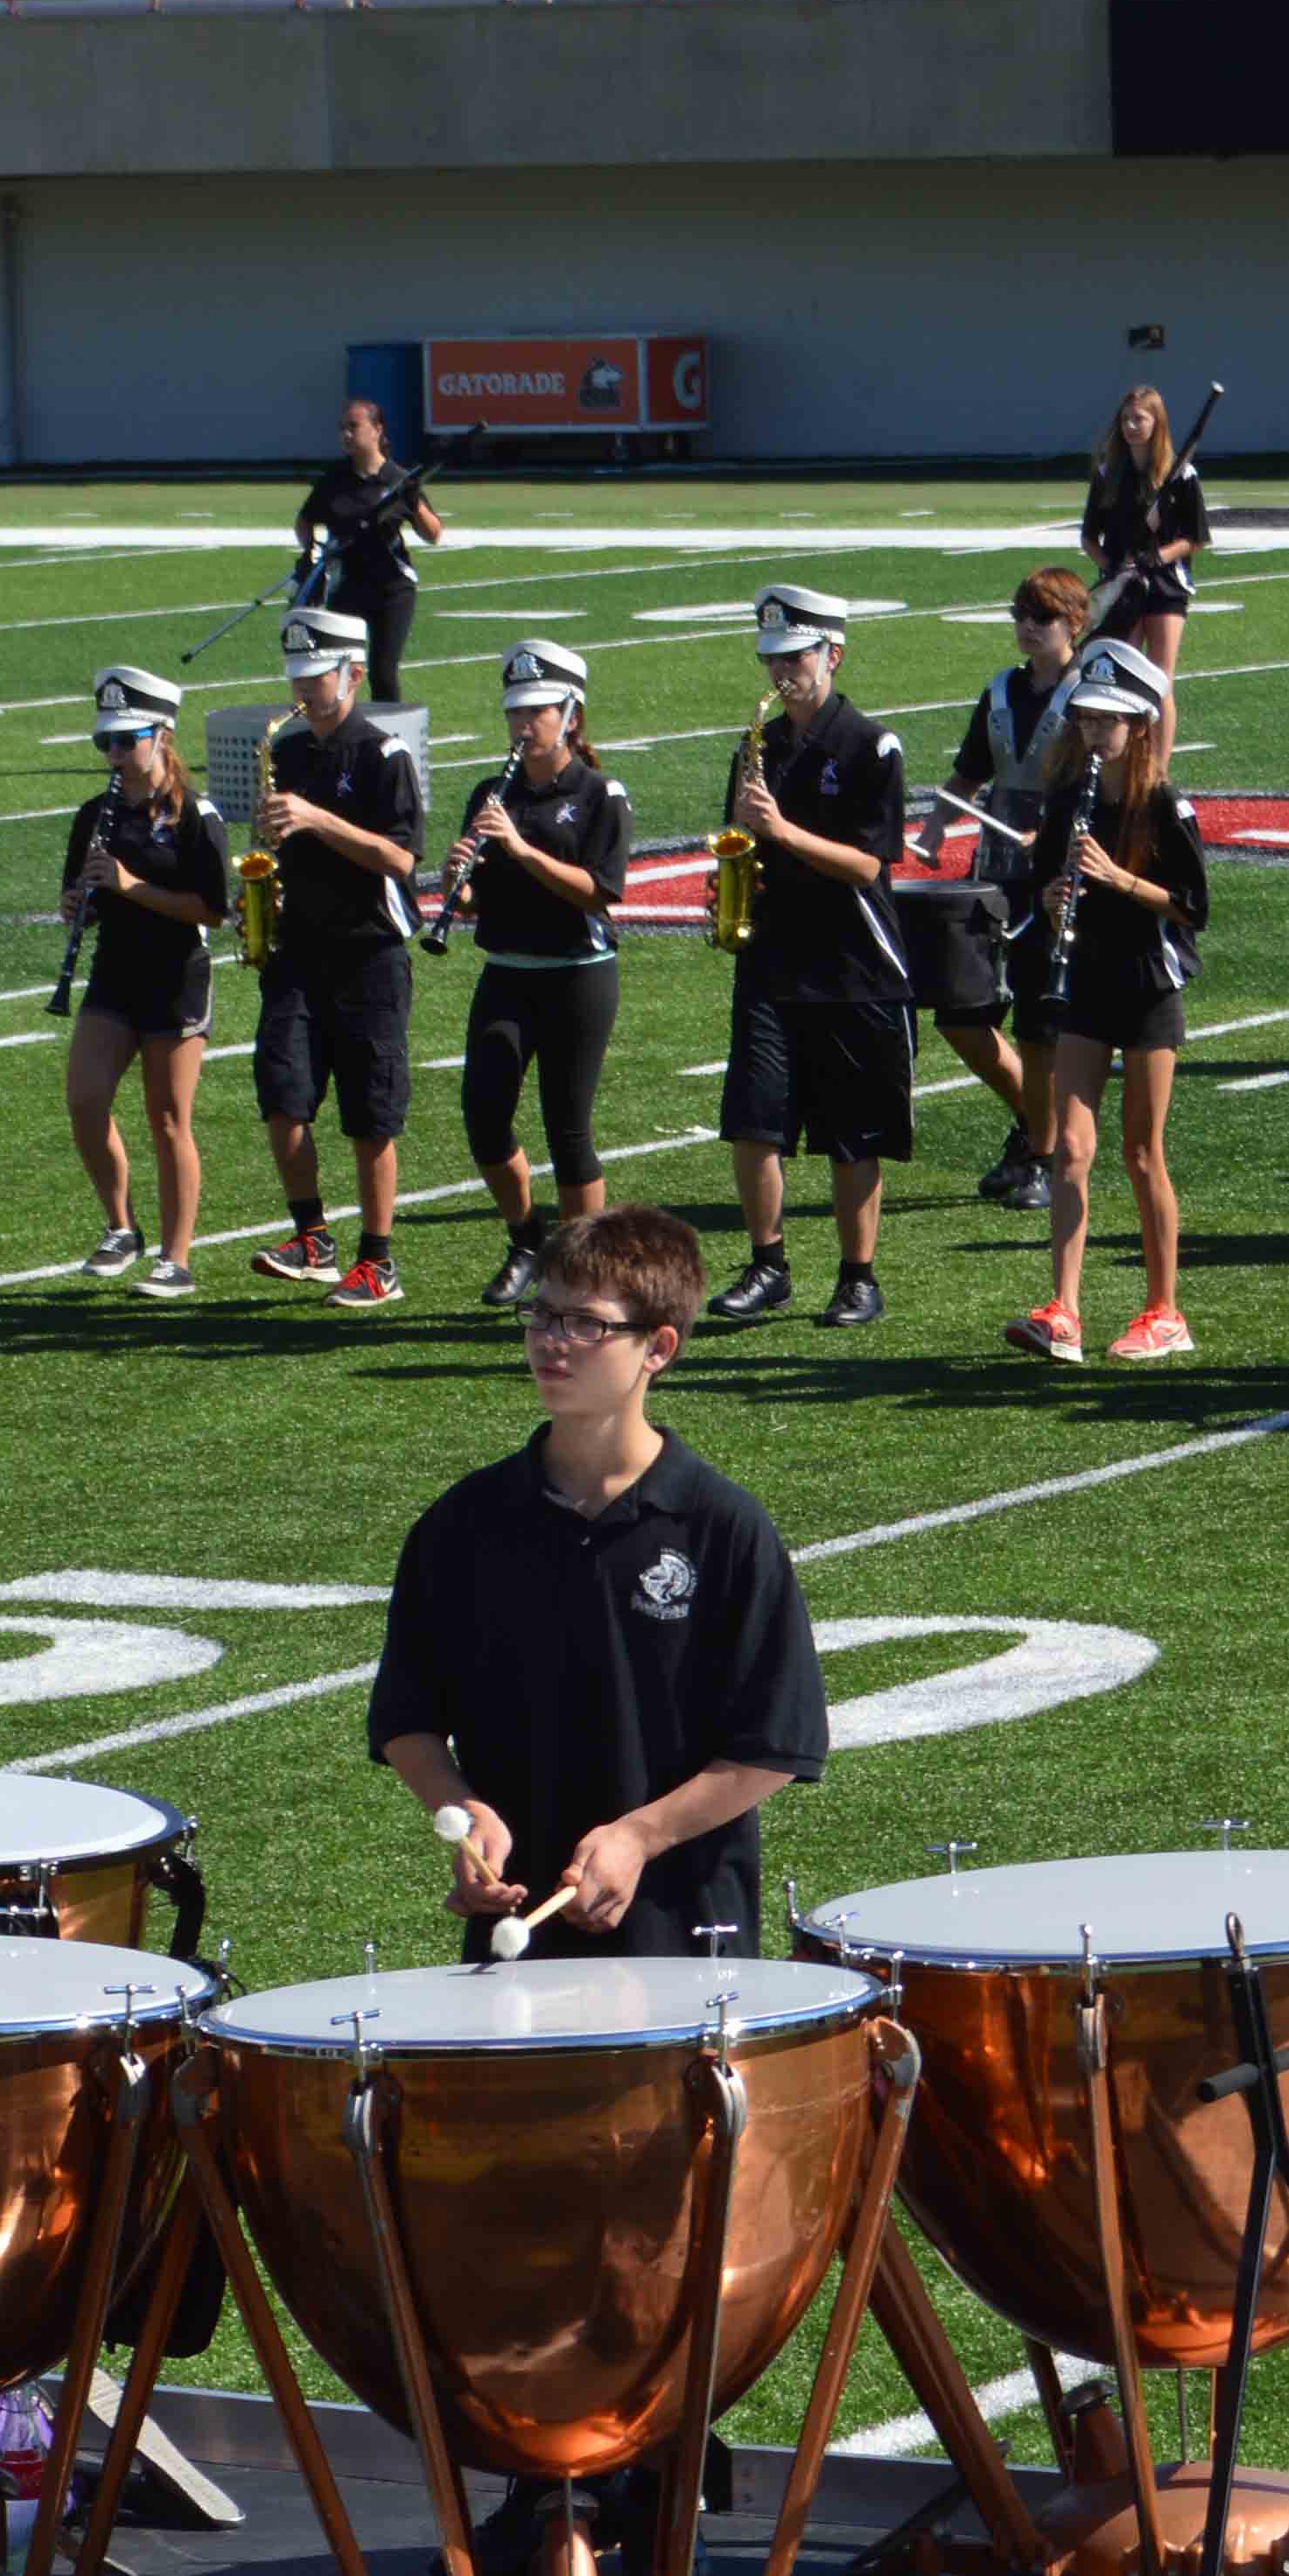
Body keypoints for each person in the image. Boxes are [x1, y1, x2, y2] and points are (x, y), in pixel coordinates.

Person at [373, 1205, 828, 1961]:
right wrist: (463, 1810)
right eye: (542, 1315)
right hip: (514, 1944)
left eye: (587, 1324)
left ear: (659, 1347)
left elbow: (775, 1743)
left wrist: (641, 1836)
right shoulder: (464, 1524)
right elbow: (405, 1717)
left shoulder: (721, 1527)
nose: (552, 1341)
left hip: (685, 1937)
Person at [706, 584, 913, 1329]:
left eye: (794, 657)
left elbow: (868, 865)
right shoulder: (756, 747)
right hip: (772, 958)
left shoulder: (870, 745)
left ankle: (859, 1277)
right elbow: (742, 838)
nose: (781, 672)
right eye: (772, 659)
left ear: (833, 654)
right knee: (754, 1122)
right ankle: (769, 1265)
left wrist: (784, 834)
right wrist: (727, 877)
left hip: (853, 962)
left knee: (852, 1133)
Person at [1008, 638, 1206, 1366]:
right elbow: (1043, 890)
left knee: (1142, 1153)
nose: (1095, 730)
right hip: (1086, 984)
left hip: (1150, 989)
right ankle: (1065, 1309)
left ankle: (1165, 1309)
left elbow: (1192, 906)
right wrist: (1055, 896)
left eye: (1109, 720)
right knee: (1069, 1149)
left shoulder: (1166, 806)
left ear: (1141, 726)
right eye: (1087, 717)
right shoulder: (1070, 800)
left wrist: (1119, 879)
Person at [240, 602, 430, 1306]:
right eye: (298, 676)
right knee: (283, 1095)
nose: (304, 690)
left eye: (317, 676)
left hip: (368, 952)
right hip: (297, 950)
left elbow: (403, 859)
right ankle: (312, 1234)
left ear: (352, 673)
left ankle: (378, 1260)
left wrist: (318, 819)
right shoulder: (287, 753)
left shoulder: (382, 754)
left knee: (369, 1114)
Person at [449, 634, 635, 1304]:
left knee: (568, 1125)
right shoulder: (490, 790)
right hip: (506, 969)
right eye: (514, 713)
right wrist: (460, 888)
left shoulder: (598, 793)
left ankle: (579, 1278)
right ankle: (527, 1238)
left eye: (537, 711)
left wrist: (521, 850)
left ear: (571, 716)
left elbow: (601, 891)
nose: (523, 726)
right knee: (484, 1116)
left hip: (577, 975)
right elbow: (479, 900)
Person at [63, 668, 229, 1297]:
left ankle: (176, 1257)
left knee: (167, 1120)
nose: (113, 754)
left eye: (125, 739)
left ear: (162, 735)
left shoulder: (196, 816)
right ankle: (120, 1226)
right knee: (84, 1100)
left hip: (175, 977)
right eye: (104, 741)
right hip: (114, 973)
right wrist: (77, 901)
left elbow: (213, 910)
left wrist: (134, 887)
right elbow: (78, 891)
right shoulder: (94, 813)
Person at [935, 570, 1084, 1208]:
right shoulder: (999, 690)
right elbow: (970, 771)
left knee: (1040, 1026)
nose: (1027, 627)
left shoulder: (1090, 695)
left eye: (1041, 617)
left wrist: (1053, 840)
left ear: (1074, 623)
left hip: (1053, 880)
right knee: (961, 1014)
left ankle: (1045, 1156)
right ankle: (1036, 1125)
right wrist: (936, 826)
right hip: (992, 872)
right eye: (1020, 614)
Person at [299, 396, 450, 708]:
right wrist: (312, 553)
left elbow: (433, 533)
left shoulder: (397, 478)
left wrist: (413, 503)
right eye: (342, 428)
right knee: (338, 669)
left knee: (383, 671)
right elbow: (305, 521)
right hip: (347, 586)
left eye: (354, 427)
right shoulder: (335, 479)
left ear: (377, 430)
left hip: (392, 589)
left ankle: (390, 738)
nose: (346, 435)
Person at [1079, 387, 1208, 674]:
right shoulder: (1106, 474)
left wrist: (1159, 556)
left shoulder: (1182, 475)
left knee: (1160, 677)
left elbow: (1197, 537)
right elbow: (1088, 537)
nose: (1131, 426)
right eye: (1125, 419)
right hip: (1122, 586)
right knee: (1125, 672)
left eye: (1139, 419)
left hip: (1166, 585)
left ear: (1157, 422)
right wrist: (1110, 566)